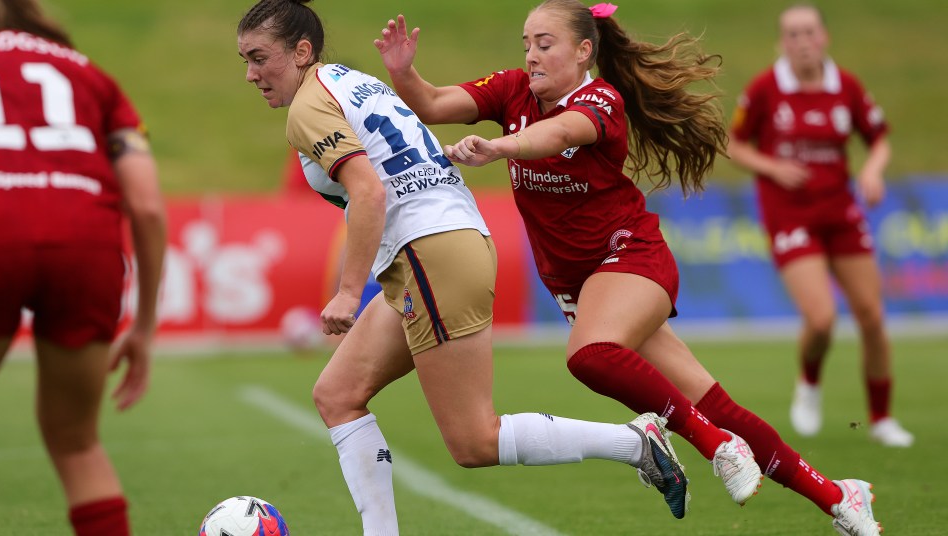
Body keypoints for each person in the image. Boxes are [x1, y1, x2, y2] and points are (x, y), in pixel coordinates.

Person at [375, 1, 882, 534]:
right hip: (583, 286)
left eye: (544, 44)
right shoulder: (512, 90)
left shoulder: (601, 100)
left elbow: (560, 135)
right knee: (713, 402)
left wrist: (500, 146)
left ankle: (713, 445)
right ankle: (838, 496)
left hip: (631, 257)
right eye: (527, 44)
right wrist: (403, 71)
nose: (531, 56)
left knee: (590, 355)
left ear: (583, 50)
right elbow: (431, 103)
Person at [236, 0, 693, 533]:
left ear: (301, 52)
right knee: (337, 396)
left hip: (430, 251)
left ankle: (634, 443)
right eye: (245, 60)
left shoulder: (307, 108)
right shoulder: (347, 80)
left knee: (474, 441)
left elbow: (368, 192)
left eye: (259, 58)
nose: (251, 74)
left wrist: (347, 291)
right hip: (442, 243)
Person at [0, 1, 167, 535]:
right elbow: (147, 206)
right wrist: (144, 327)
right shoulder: (91, 75)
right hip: (86, 245)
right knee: (77, 444)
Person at [727, 4, 913, 449]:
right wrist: (772, 166)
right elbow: (734, 145)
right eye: (792, 34)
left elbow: (879, 139)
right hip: (790, 215)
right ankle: (809, 383)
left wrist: (872, 172)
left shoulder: (845, 86)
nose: (802, 42)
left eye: (809, 32)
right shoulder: (765, 89)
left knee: (872, 315)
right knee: (822, 318)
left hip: (840, 212)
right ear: (781, 43)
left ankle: (882, 418)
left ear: (824, 37)